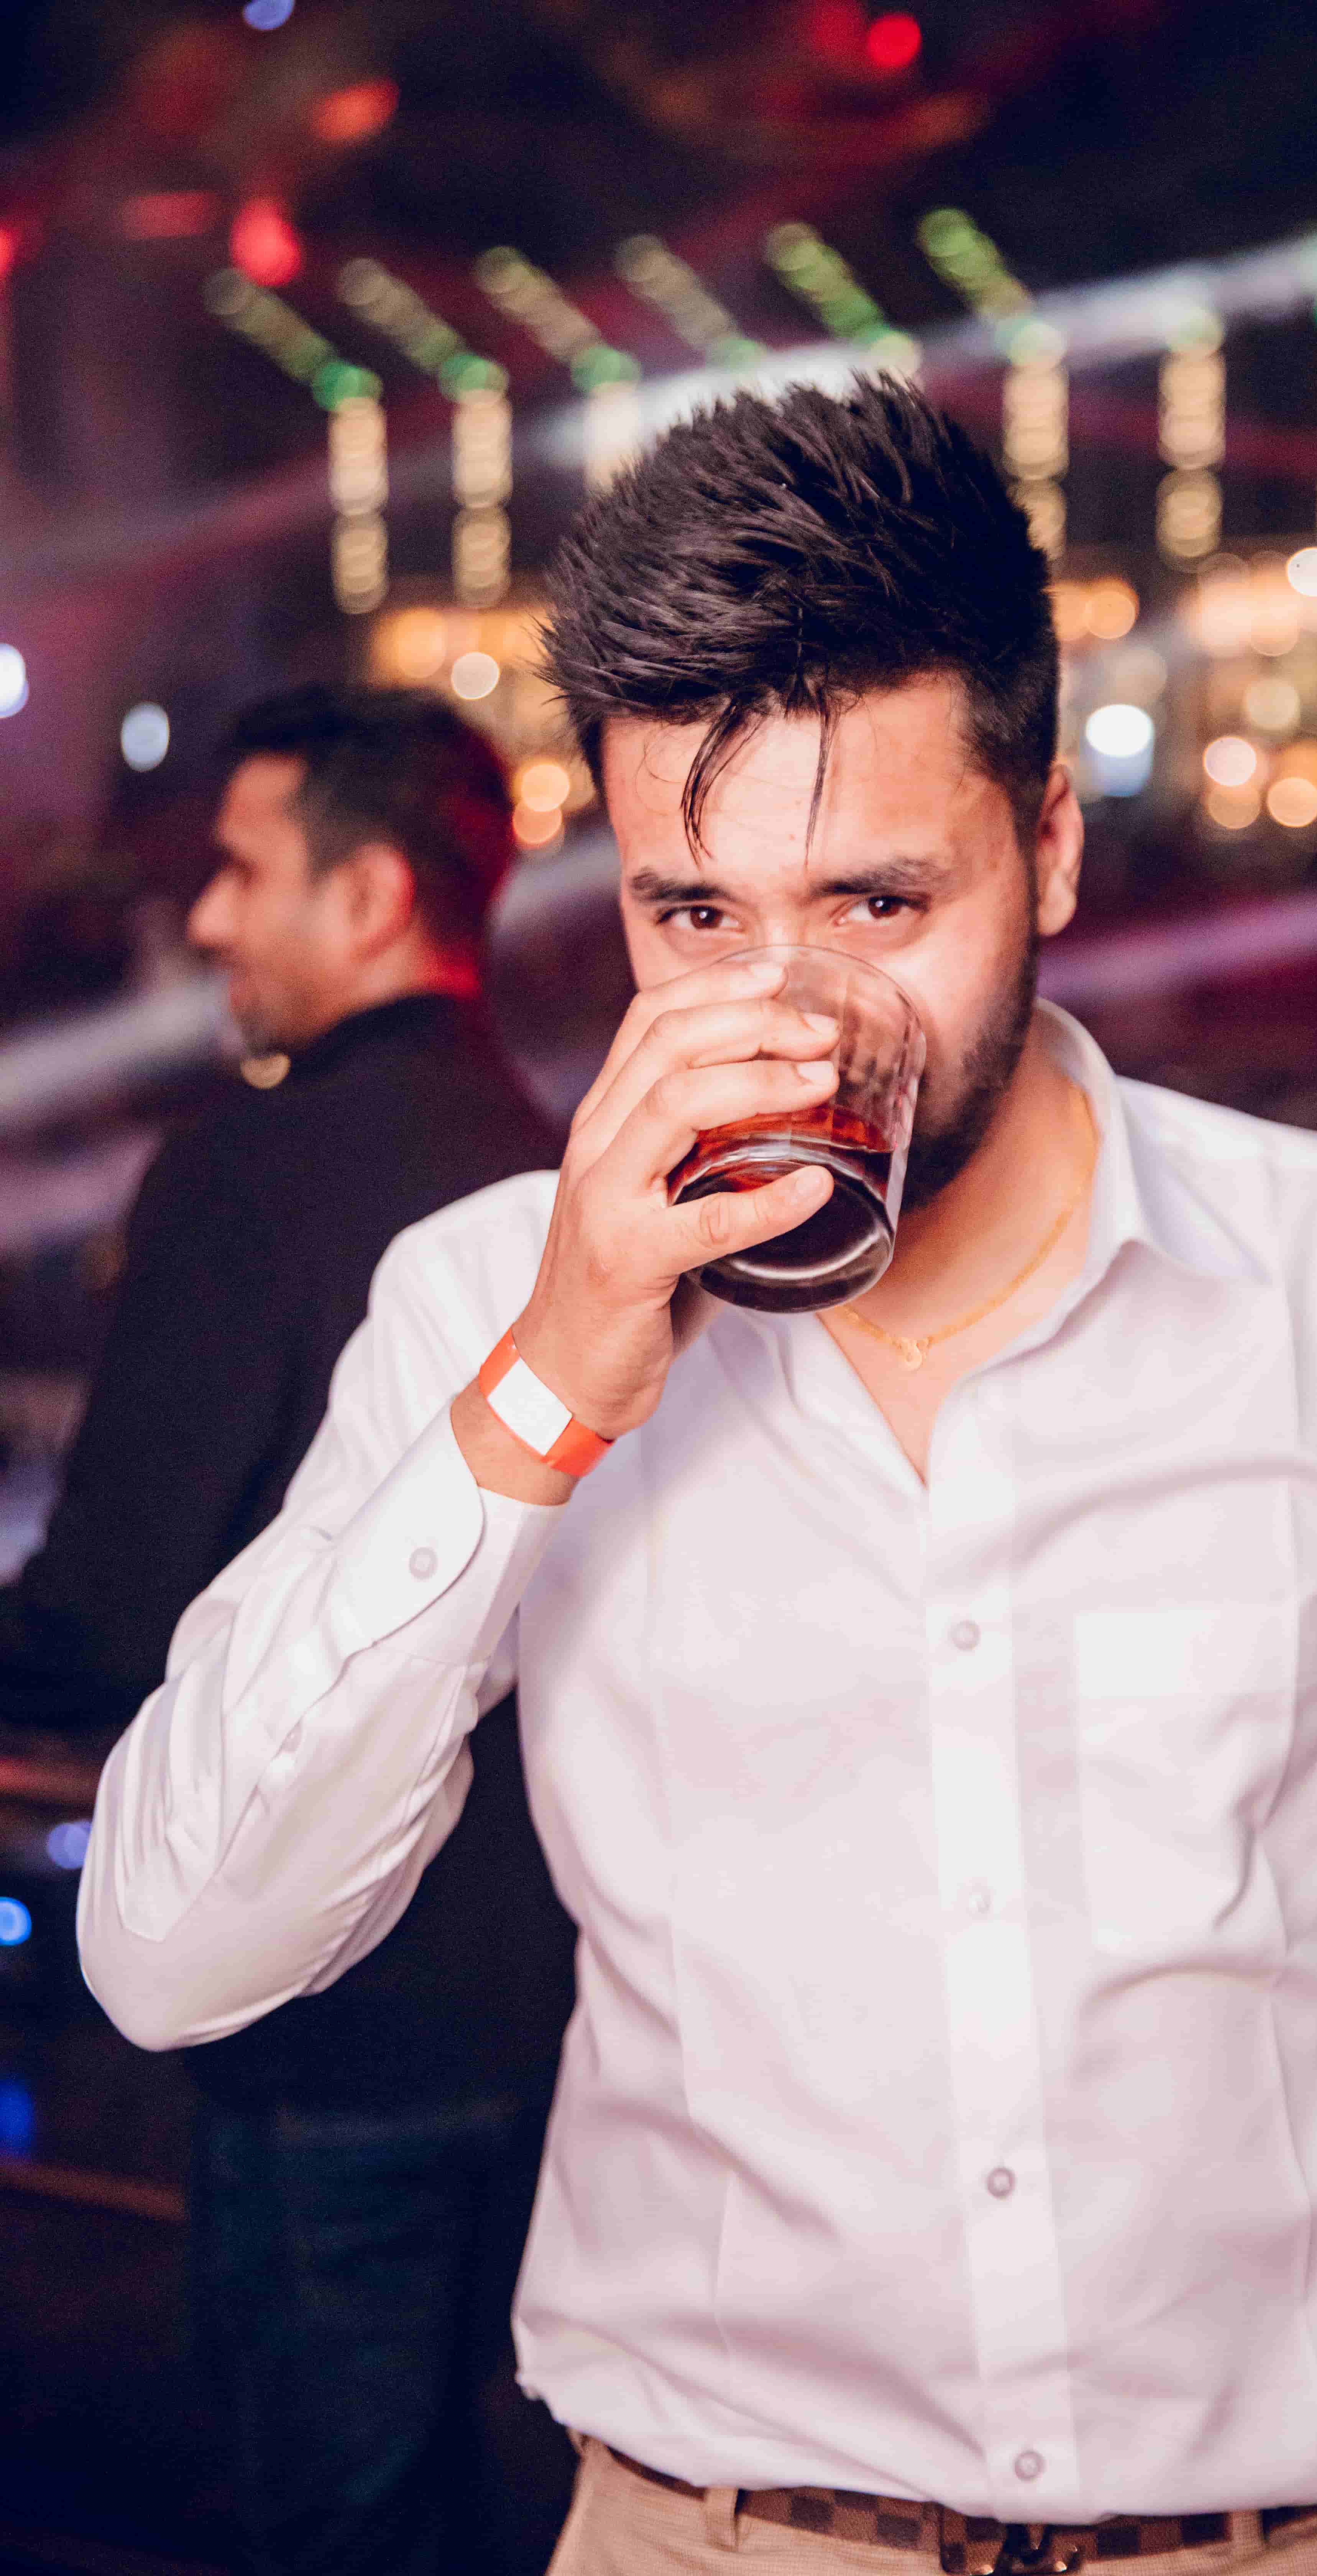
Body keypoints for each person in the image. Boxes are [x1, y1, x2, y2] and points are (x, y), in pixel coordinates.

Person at [78, 386, 1317, 2576]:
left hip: (1292, 2534)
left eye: (876, 898)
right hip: (713, 2533)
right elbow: (170, 1952)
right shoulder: (486, 1299)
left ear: (1046, 850)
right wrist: (551, 1388)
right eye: (695, 913)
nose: (789, 1007)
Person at [0, 686, 577, 2576]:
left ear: (374, 894)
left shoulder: (247, 1172)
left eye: (246, 872)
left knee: (329, 2532)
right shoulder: (557, 1176)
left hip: (330, 2009)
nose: (209, 921)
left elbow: (111, 1606)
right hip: (560, 2006)